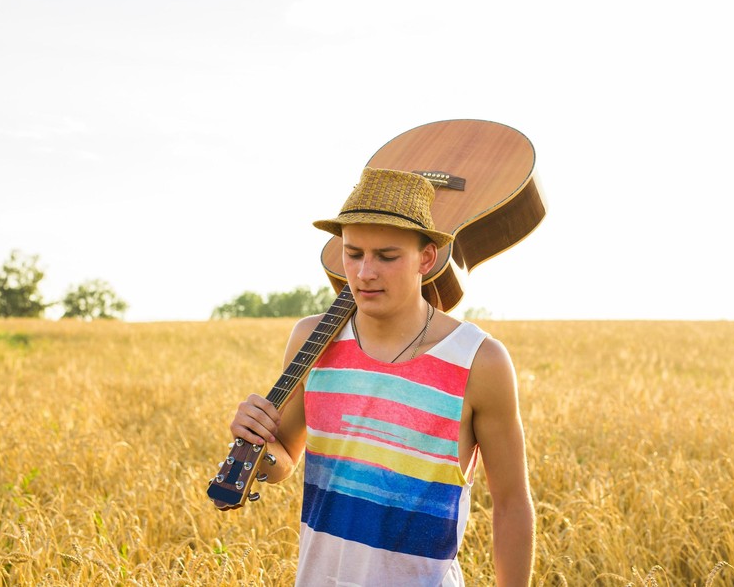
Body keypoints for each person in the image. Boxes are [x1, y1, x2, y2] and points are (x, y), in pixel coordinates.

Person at [229, 167, 535, 586]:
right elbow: (284, 458)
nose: (364, 272)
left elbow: (512, 501)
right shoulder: (312, 339)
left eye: (387, 256)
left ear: (426, 258)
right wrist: (258, 443)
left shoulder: (479, 361)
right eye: (353, 254)